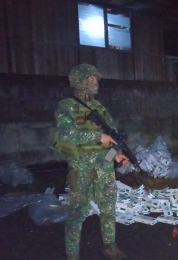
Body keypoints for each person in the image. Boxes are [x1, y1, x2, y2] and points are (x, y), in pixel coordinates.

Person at [53, 64, 129, 260]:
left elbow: (112, 138)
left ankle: (110, 247)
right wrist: (97, 136)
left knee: (108, 208)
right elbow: (65, 134)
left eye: (96, 79)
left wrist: (116, 154)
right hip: (81, 167)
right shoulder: (67, 105)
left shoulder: (99, 107)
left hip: (104, 166)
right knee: (77, 212)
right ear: (80, 81)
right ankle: (72, 255)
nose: (96, 82)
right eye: (92, 78)